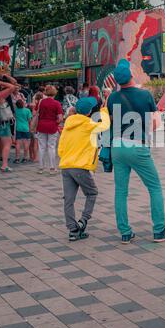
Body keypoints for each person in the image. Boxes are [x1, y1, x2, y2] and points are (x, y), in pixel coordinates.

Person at [107, 59, 165, 244]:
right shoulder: (145, 95)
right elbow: (153, 124)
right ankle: (159, 230)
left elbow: (112, 122)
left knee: (121, 191)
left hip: (117, 147)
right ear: (131, 75)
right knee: (154, 187)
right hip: (137, 145)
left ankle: (125, 233)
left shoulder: (112, 98)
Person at [58, 97, 110, 242]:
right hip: (80, 167)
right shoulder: (89, 124)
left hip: (66, 166)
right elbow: (105, 125)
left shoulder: (68, 124)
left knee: (68, 199)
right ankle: (83, 221)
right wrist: (104, 109)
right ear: (89, 112)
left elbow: (61, 148)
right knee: (92, 193)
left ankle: (73, 230)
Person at [37, 85, 63, 175]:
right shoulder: (57, 103)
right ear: (55, 93)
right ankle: (52, 168)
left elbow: (35, 112)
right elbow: (60, 118)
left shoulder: (41, 102)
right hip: (52, 126)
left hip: (41, 125)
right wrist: (57, 123)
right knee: (51, 147)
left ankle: (41, 168)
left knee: (41, 147)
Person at [0, 75, 16, 172]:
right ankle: (4, 165)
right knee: (7, 143)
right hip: (2, 122)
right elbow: (12, 86)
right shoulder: (0, 94)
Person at [14, 99, 32, 164]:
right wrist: (30, 128)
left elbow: (14, 117)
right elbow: (29, 120)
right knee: (26, 143)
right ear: (23, 104)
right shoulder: (27, 110)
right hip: (26, 128)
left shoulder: (16, 111)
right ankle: (25, 157)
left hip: (18, 128)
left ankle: (17, 158)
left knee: (18, 144)